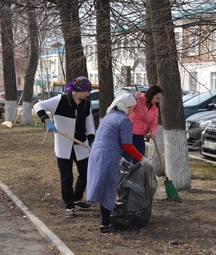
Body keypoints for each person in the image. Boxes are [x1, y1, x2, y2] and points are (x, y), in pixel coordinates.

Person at [86, 93, 151, 233]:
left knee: (104, 189)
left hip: (97, 154)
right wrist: (141, 158)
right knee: (109, 189)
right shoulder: (124, 120)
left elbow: (110, 138)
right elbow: (127, 144)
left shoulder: (109, 116)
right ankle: (105, 225)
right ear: (126, 107)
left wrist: (120, 157)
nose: (133, 111)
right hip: (108, 157)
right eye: (133, 108)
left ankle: (105, 221)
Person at [33, 76, 96, 218]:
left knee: (86, 173)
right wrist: (47, 120)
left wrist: (92, 139)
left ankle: (77, 197)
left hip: (81, 144)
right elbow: (38, 106)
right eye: (86, 91)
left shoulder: (86, 105)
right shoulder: (60, 100)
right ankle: (69, 206)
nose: (88, 94)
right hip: (64, 144)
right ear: (78, 90)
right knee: (66, 177)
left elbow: (89, 124)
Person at [122, 85, 163, 164]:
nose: (158, 101)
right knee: (126, 160)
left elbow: (153, 123)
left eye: (159, 99)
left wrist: (153, 132)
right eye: (157, 98)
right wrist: (134, 96)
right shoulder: (139, 99)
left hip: (140, 137)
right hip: (129, 135)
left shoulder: (155, 109)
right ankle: (122, 176)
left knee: (140, 161)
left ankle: (136, 176)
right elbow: (125, 102)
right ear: (151, 94)